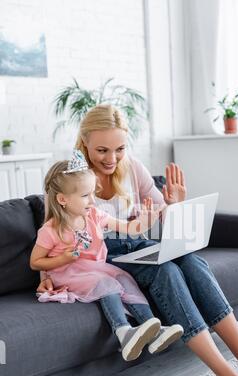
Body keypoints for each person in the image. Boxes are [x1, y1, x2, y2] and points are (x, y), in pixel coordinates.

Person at [37, 104, 238, 376]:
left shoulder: (131, 168)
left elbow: (163, 220)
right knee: (167, 272)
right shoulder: (70, 177)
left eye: (119, 149)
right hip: (107, 258)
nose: (111, 159)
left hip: (140, 244)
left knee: (192, 261)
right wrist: (46, 273)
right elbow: (54, 231)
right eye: (102, 150)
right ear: (85, 142)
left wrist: (173, 204)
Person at [30, 151, 183, 362]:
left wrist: (147, 219)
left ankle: (154, 329)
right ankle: (123, 332)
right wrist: (64, 258)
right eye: (85, 195)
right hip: (67, 274)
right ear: (62, 199)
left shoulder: (94, 216)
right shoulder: (51, 230)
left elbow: (130, 228)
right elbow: (35, 262)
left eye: (92, 193)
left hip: (94, 268)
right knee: (105, 282)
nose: (92, 200)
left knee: (125, 280)